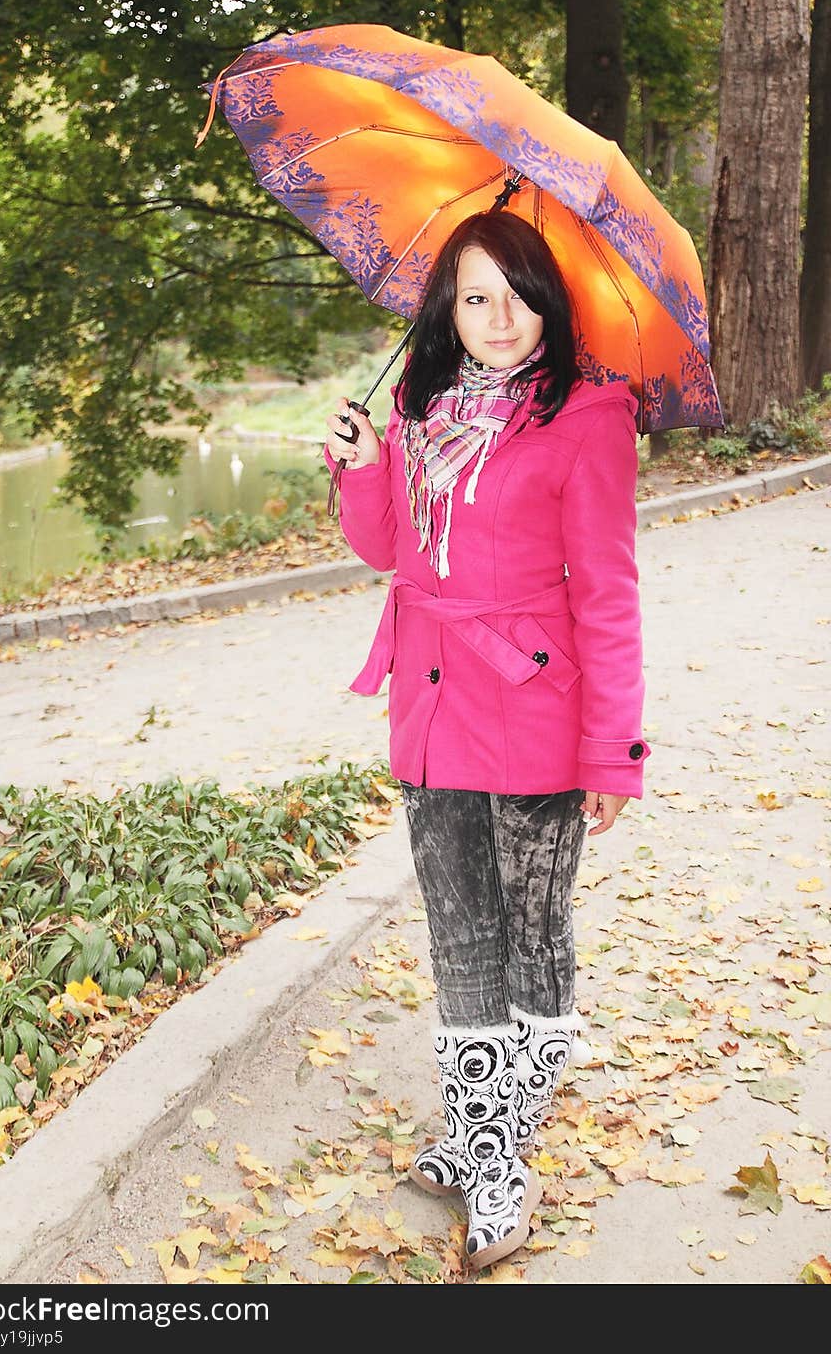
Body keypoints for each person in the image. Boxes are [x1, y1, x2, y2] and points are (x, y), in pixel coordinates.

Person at [322, 210, 652, 1272]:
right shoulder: (420, 404)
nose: (497, 318)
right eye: (473, 297)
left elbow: (606, 595)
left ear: (548, 299)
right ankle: (479, 1132)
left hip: (538, 714)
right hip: (428, 704)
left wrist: (614, 750)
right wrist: (366, 461)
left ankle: (504, 1144)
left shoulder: (590, 414)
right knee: (459, 936)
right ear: (446, 310)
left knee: (531, 932)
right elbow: (387, 548)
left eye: (515, 293)